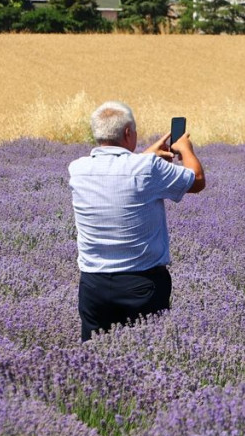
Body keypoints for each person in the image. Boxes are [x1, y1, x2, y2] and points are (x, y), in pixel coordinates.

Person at [69, 101, 205, 342]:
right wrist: (185, 149)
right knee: (147, 357)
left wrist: (143, 157)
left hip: (93, 285)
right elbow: (197, 180)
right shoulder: (147, 168)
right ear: (128, 133)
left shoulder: (77, 169)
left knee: (93, 360)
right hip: (141, 284)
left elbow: (120, 175)